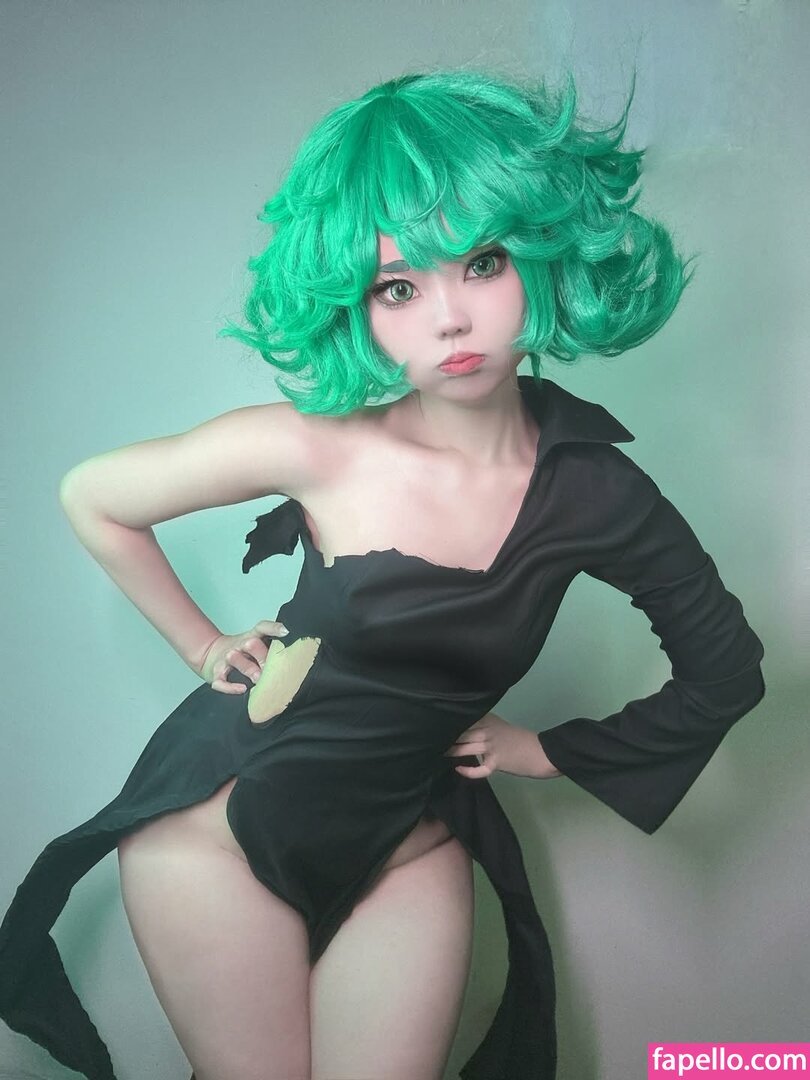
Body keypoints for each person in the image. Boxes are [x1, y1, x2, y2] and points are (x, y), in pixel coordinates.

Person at [0, 68, 765, 1080]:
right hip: (219, 830)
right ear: (357, 306)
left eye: (482, 262)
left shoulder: (599, 494)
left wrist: (546, 751)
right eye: (398, 286)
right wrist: (203, 645)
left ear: (542, 254)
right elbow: (94, 495)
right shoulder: (320, 446)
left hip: (411, 844)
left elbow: (727, 672)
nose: (450, 319)